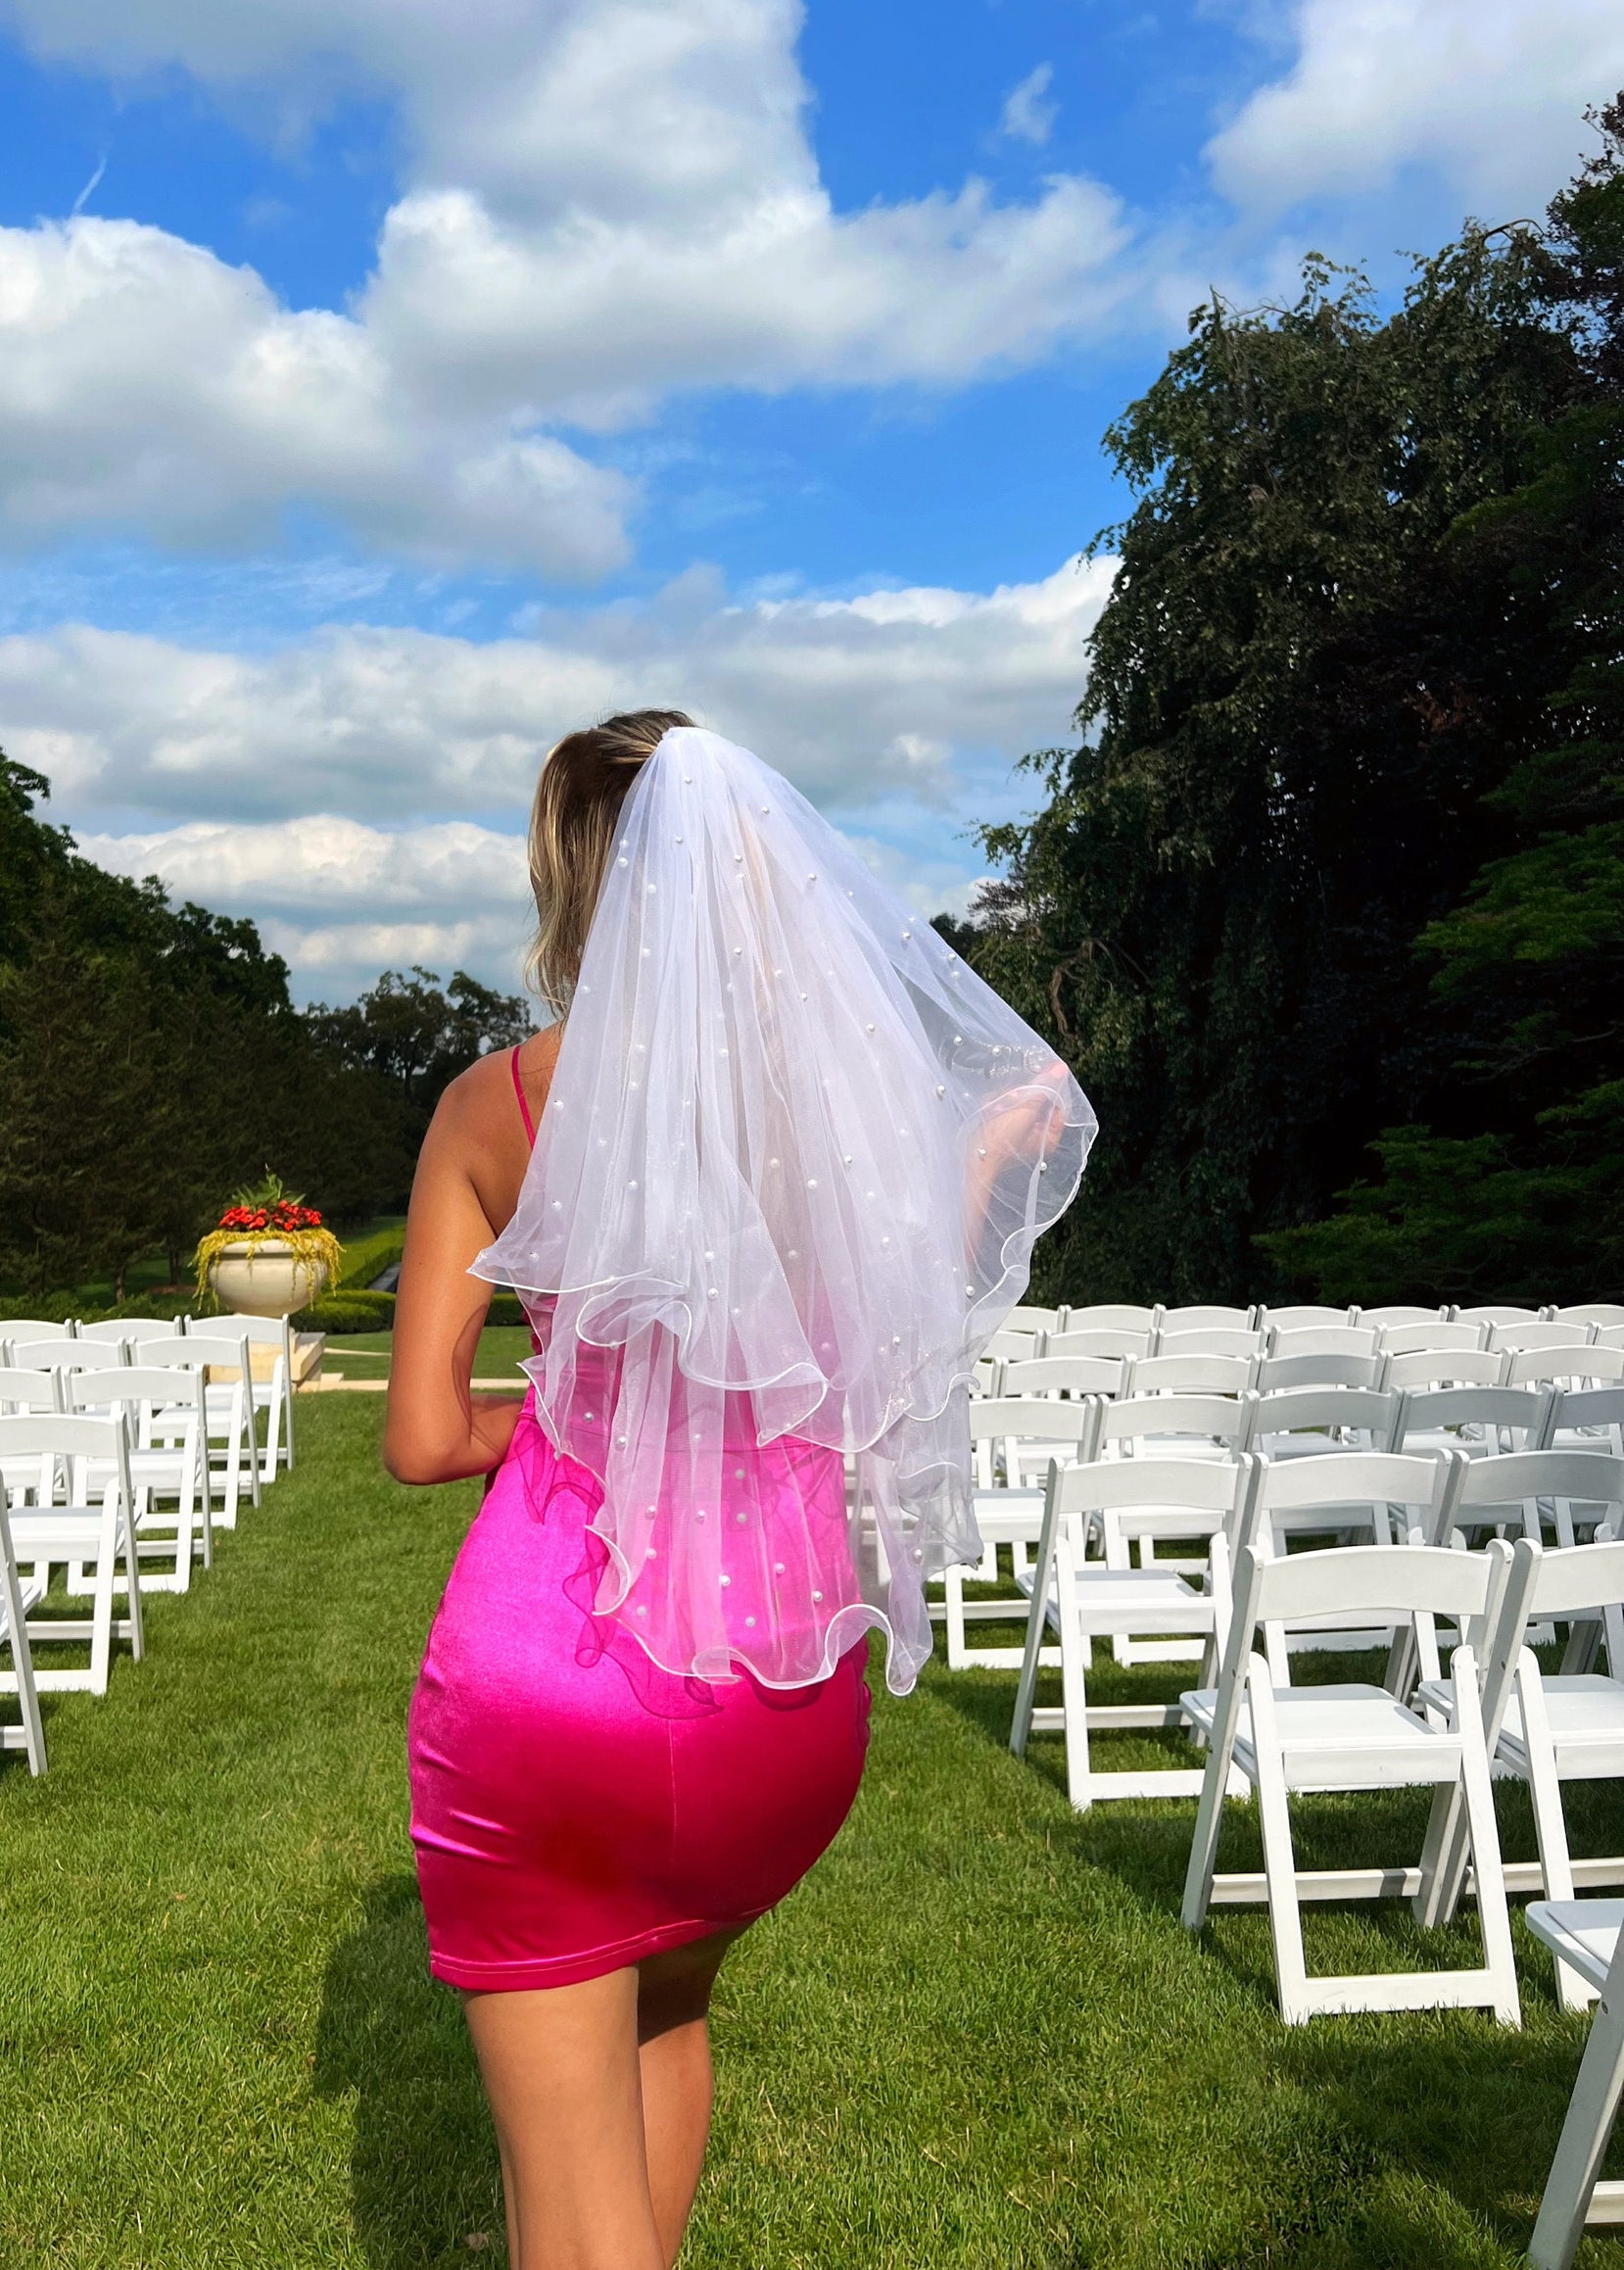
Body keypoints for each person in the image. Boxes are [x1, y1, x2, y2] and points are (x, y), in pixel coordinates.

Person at [387, 711, 1094, 2270]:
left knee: (563, 2225)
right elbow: (876, 1348)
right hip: (776, 1692)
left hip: (555, 1684)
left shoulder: (493, 1104)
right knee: (666, 2015)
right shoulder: (839, 1117)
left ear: (576, 885)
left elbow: (423, 1439)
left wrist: (568, 1403)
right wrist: (974, 1166)